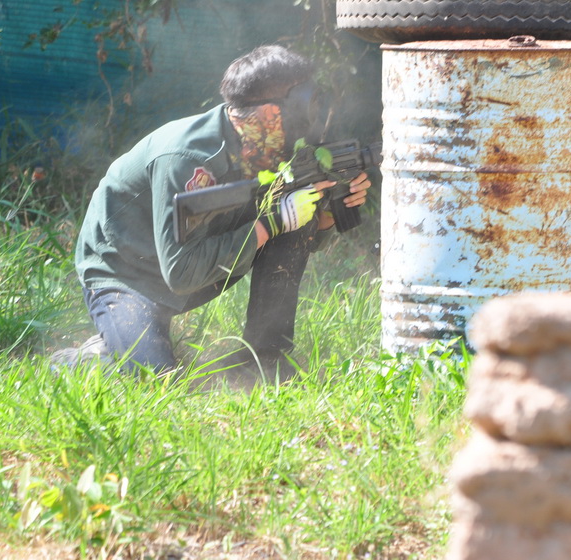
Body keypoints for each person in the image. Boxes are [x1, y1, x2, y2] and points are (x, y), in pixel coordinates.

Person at [63, 44, 371, 380]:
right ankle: (85, 358)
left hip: (192, 263)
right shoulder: (187, 158)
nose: (310, 111)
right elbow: (181, 273)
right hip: (125, 275)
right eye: (302, 100)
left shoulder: (270, 146)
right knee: (156, 378)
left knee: (288, 220)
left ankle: (265, 359)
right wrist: (273, 221)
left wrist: (328, 211)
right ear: (269, 112)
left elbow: (297, 239)